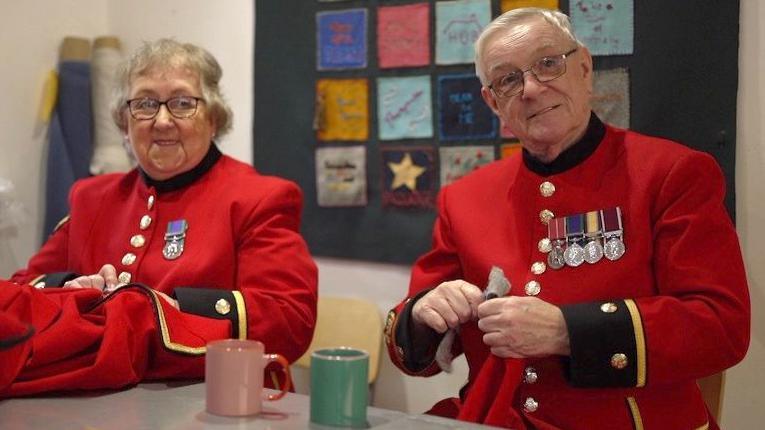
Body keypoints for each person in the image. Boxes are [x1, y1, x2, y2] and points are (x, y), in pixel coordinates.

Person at [384, 8, 750, 430]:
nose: (532, 89)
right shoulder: (463, 199)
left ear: (584, 67)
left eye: (547, 64)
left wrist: (567, 331)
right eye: (507, 79)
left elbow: (720, 326)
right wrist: (424, 314)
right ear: (492, 102)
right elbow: (414, 354)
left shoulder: (672, 173)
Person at [3, 39, 317, 396]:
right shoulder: (91, 198)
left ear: (214, 117)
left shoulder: (259, 198)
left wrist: (164, 307)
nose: (162, 120)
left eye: (183, 103)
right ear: (125, 121)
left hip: (219, 402)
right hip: (101, 402)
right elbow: (21, 293)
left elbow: (290, 321)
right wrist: (73, 290)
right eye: (145, 104)